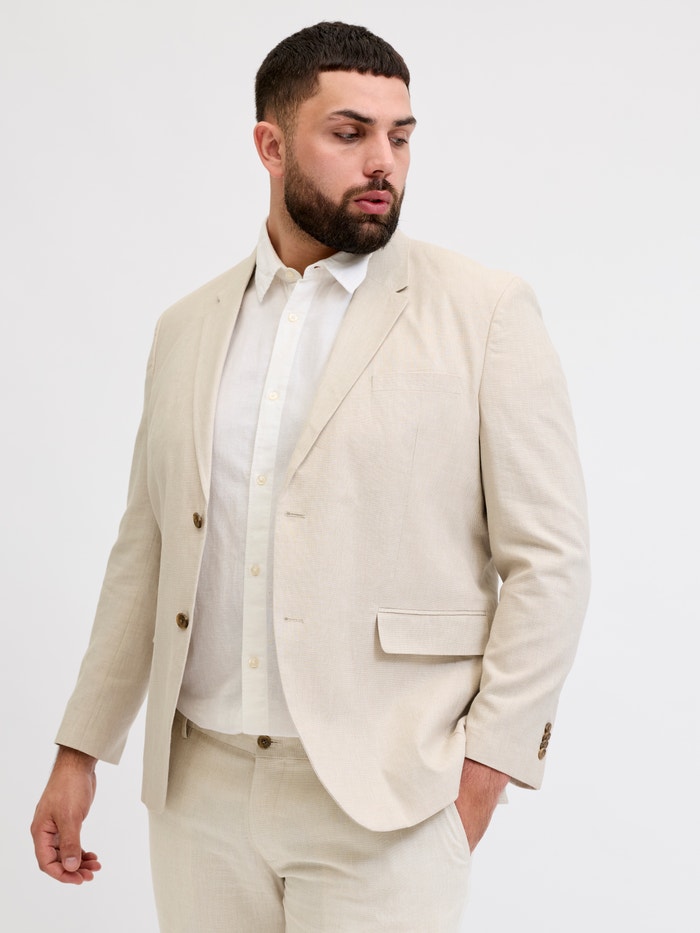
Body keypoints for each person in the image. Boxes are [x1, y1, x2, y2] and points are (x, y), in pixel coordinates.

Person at [31, 20, 590, 932]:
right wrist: (79, 748)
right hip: (199, 797)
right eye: (350, 133)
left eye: (400, 136)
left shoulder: (484, 312)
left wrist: (484, 773)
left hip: (389, 798)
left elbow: (550, 561)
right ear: (271, 144)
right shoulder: (186, 328)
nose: (383, 162)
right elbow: (148, 547)